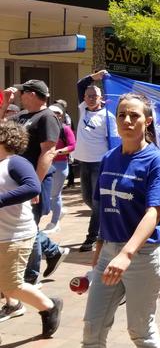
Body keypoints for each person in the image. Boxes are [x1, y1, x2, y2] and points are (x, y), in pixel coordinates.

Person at [82, 93, 160, 347]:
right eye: (122, 115)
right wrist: (101, 244)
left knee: (140, 332)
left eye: (134, 115)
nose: (127, 120)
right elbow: (104, 205)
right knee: (92, 328)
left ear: (148, 121)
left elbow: (154, 212)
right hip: (109, 252)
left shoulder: (156, 161)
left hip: (142, 255)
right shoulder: (108, 157)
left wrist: (126, 254)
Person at [1, 80, 70, 285]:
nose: (20, 96)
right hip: (17, 179)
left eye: (23, 92)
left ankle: (30, 278)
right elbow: (2, 131)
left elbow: (47, 152)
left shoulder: (47, 117)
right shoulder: (22, 116)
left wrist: (36, 186)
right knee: (24, 224)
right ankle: (53, 251)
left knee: (27, 227)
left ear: (31, 94)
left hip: (33, 180)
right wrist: (5, 105)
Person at [0, 121, 63, 336]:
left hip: (14, 235)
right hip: (2, 234)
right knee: (6, 284)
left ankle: (49, 306)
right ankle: (15, 305)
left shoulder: (15, 162)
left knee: (12, 285)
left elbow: (32, 186)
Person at [72, 70, 118, 252]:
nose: (91, 99)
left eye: (94, 96)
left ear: (101, 98)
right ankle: (107, 216)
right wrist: (95, 76)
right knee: (88, 199)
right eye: (88, 96)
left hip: (99, 164)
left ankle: (91, 238)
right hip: (83, 162)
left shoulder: (108, 117)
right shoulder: (83, 108)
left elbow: (113, 143)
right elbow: (80, 84)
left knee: (97, 202)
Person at [43, 103, 76, 233]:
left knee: (54, 195)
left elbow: (72, 146)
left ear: (62, 116)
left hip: (60, 164)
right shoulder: (42, 128)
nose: (55, 116)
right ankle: (59, 211)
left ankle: (54, 223)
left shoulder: (65, 129)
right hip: (44, 163)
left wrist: (59, 152)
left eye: (58, 114)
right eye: (52, 113)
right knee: (46, 194)